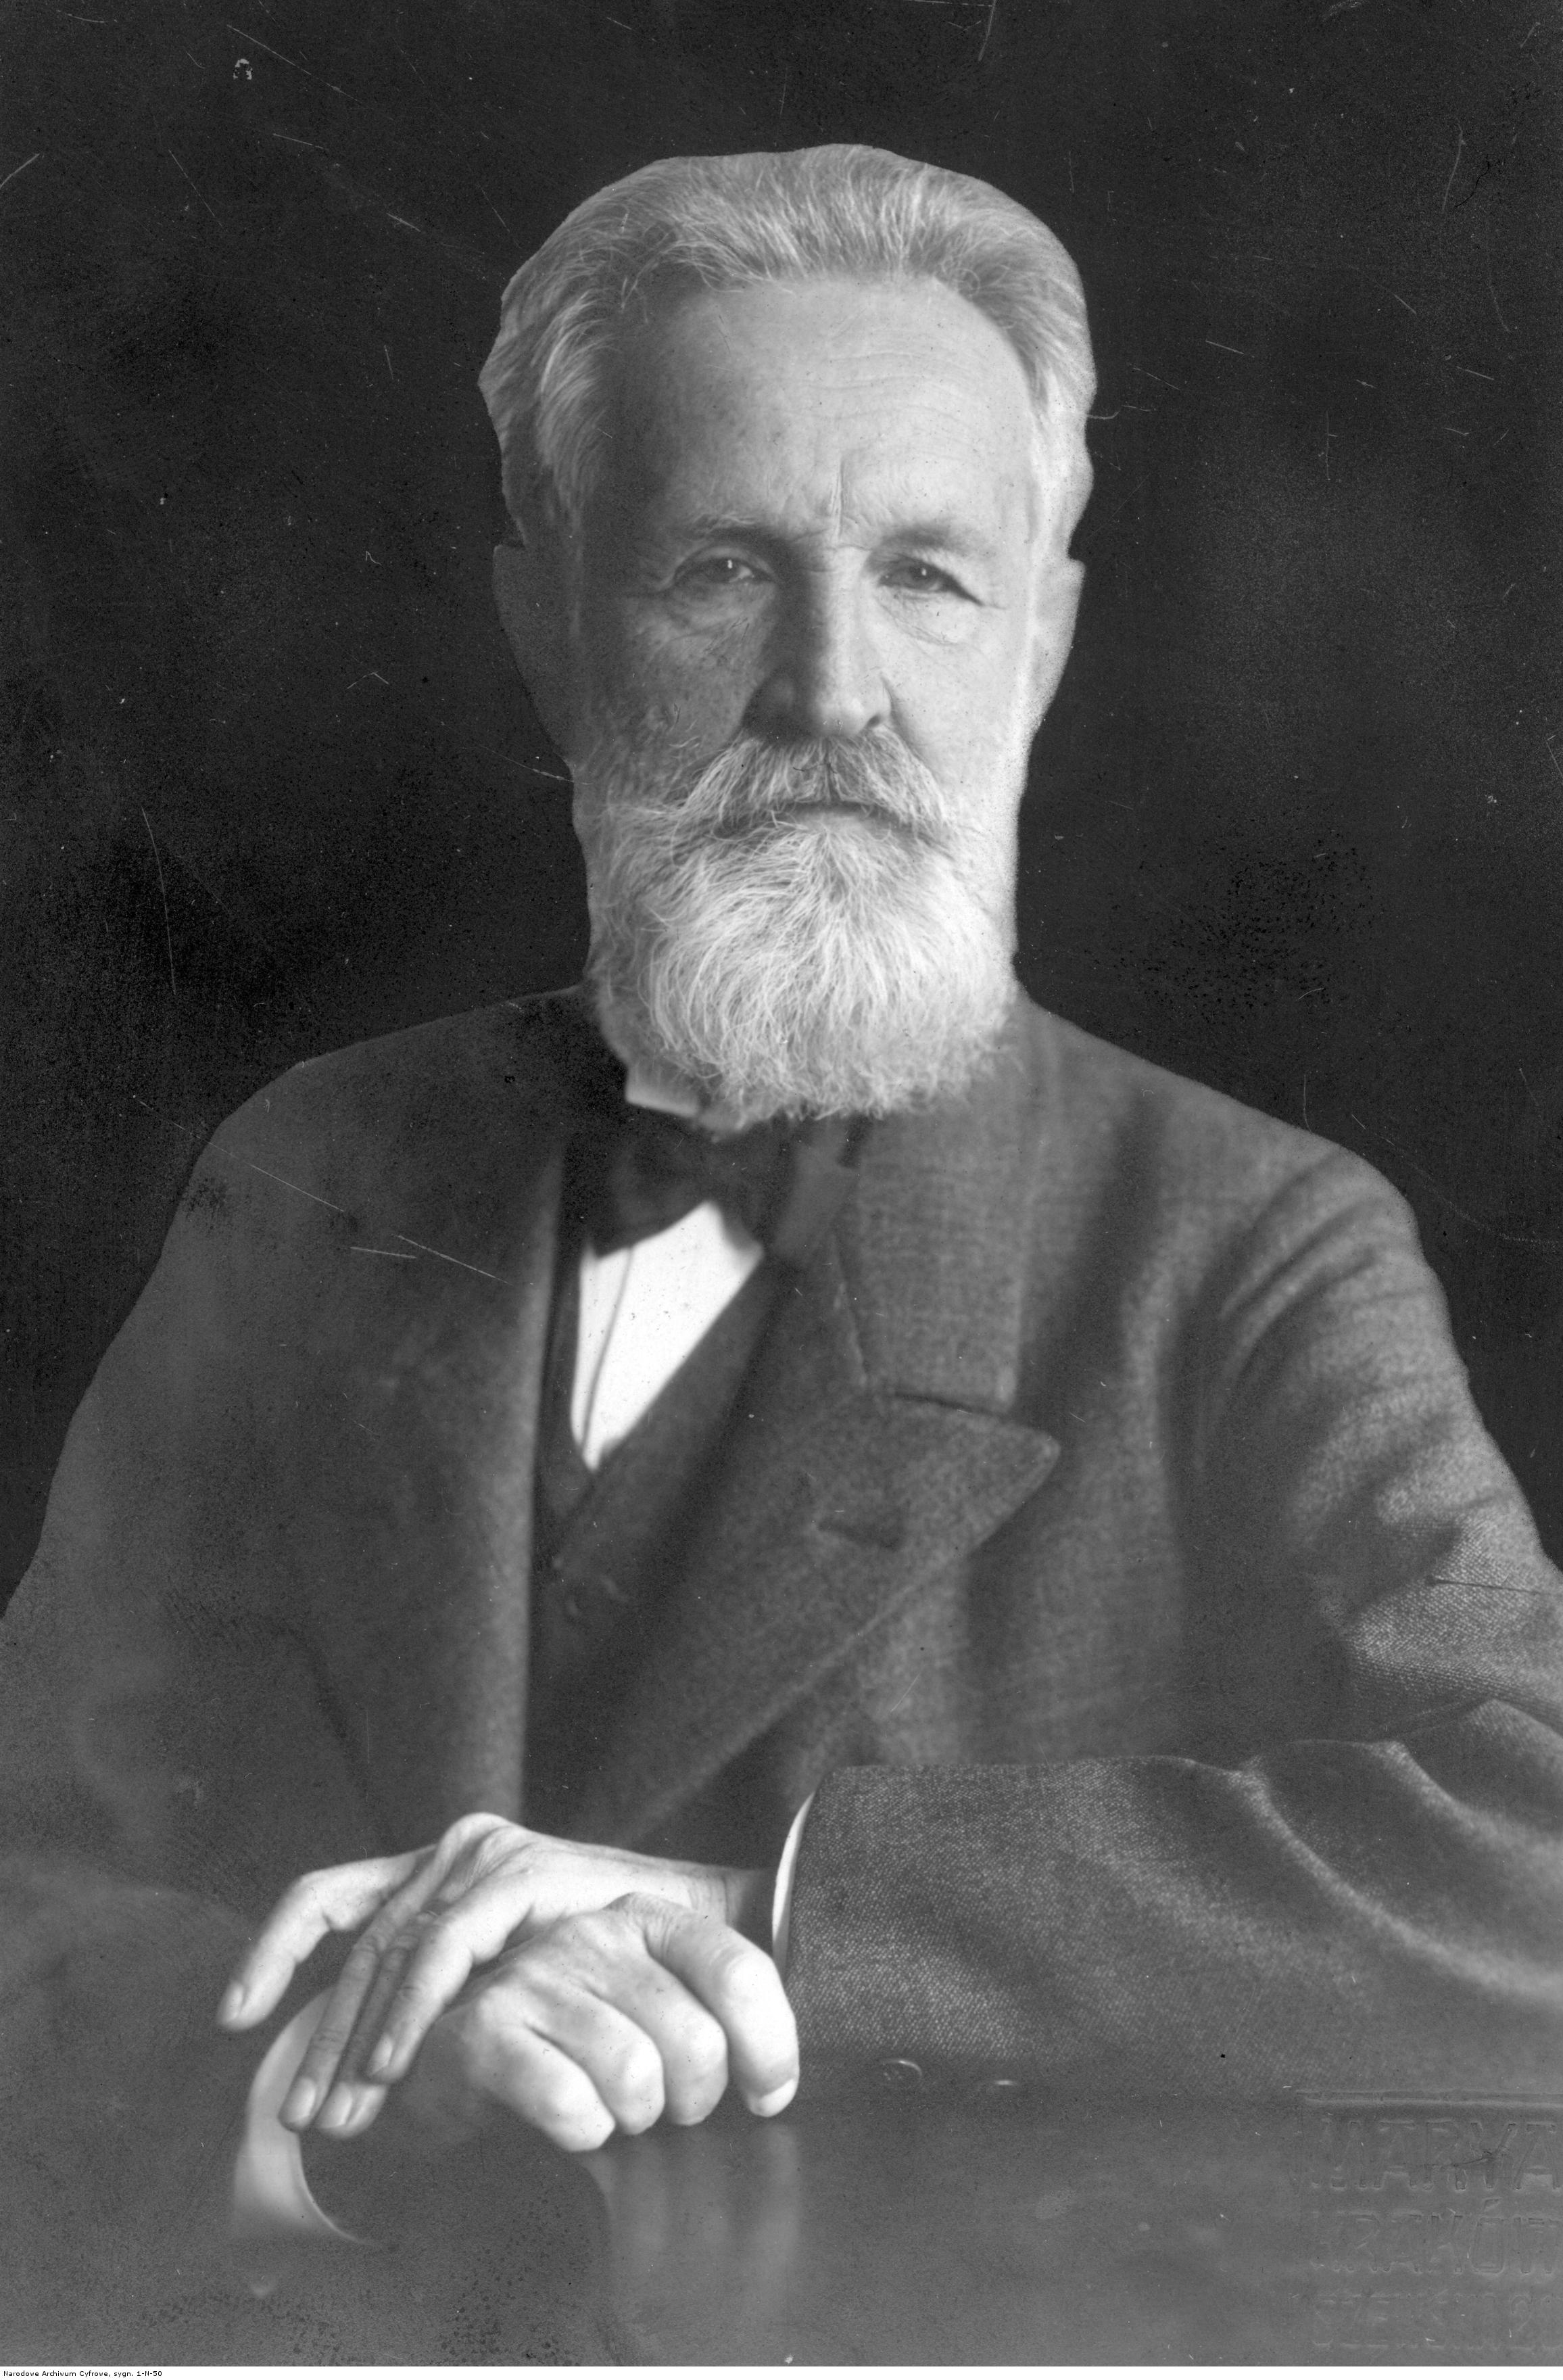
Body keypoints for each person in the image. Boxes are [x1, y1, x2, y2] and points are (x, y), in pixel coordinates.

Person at [3, 143, 1562, 2339]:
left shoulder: (1249, 1249)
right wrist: (334, 2081)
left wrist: (774, 1910)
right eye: (724, 569)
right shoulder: (317, 1175)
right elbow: (28, 1879)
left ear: (1044, 645)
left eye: (928, 576)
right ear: (549, 632)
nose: (834, 687)